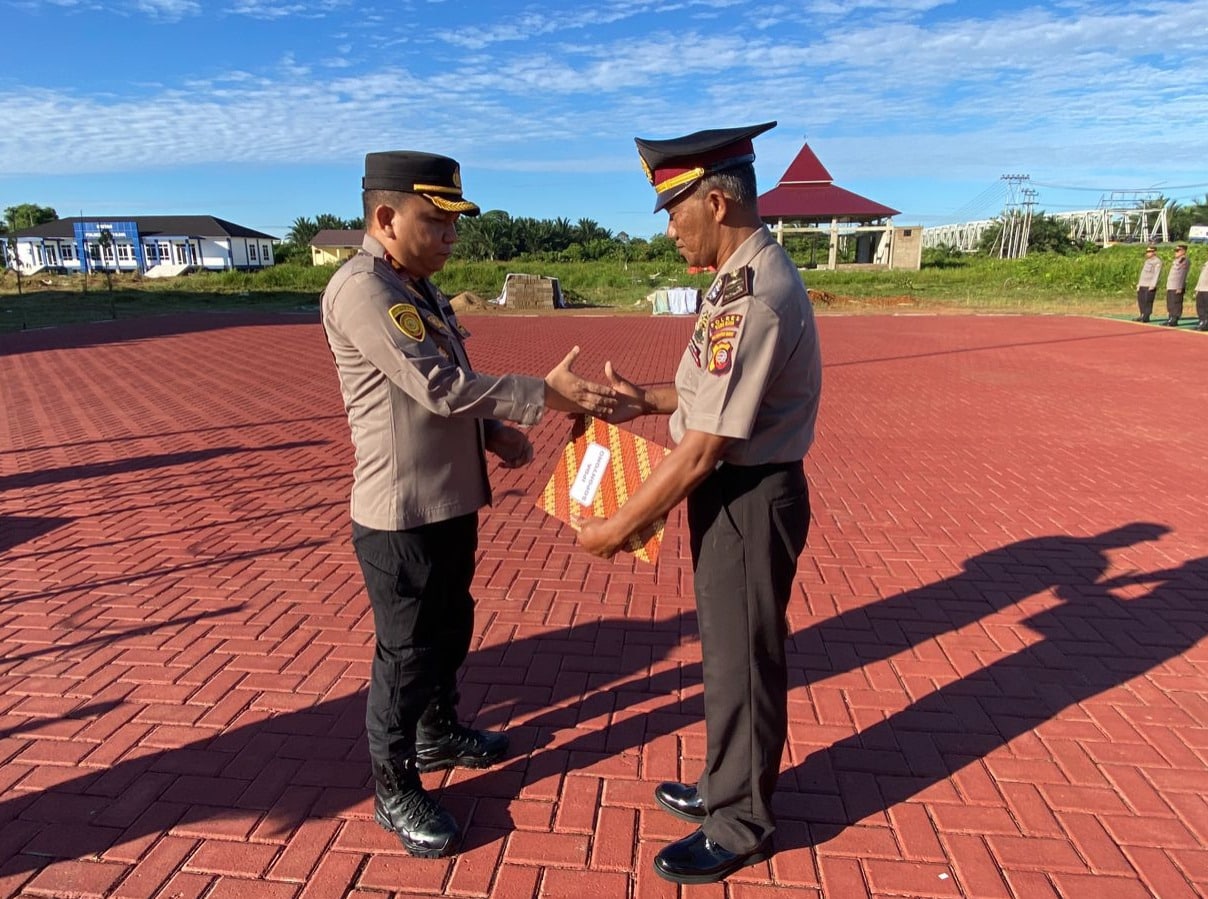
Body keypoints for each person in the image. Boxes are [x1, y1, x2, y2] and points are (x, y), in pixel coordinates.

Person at [320, 150, 616, 859]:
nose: (451, 237)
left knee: (451, 626)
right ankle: (394, 786)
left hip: (447, 501)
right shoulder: (364, 290)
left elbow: (445, 384)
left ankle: (437, 730)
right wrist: (543, 394)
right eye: (436, 221)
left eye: (454, 223)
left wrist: (493, 433)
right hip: (400, 514)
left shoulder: (414, 286)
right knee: (406, 653)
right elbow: (438, 387)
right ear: (386, 218)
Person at [574, 121, 822, 885]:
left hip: (748, 492)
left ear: (716, 202)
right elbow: (704, 399)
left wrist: (619, 524)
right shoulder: (738, 275)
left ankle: (741, 820)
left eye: (674, 213)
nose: (669, 232)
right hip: (734, 488)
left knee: (745, 658)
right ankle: (724, 783)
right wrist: (641, 401)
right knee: (725, 651)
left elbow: (707, 445)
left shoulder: (752, 295)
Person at [1163, 242, 1190, 326]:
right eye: (1175, 250)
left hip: (1177, 286)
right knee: (1170, 302)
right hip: (1171, 285)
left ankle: (1174, 319)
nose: (1176, 252)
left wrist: (1180, 286)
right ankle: (1170, 317)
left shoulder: (1184, 260)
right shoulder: (1176, 260)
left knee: (1176, 303)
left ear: (1183, 251)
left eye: (1178, 250)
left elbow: (1182, 275)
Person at [1135, 244, 1161, 323]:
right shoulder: (1147, 261)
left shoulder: (1157, 262)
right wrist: (1139, 284)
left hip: (1149, 285)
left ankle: (1146, 316)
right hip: (1143, 284)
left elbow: (1156, 274)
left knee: (1148, 301)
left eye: (1149, 251)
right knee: (1141, 300)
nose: (1147, 253)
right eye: (1147, 251)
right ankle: (1142, 314)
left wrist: (1153, 285)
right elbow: (1143, 274)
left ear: (1154, 252)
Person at [1195, 255, 1208, 331]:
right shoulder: (1206, 263)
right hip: (1201, 288)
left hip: (1207, 289)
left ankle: (1206, 323)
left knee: (1206, 308)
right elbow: (1201, 277)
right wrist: (1197, 288)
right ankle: (1202, 321)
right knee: (1200, 306)